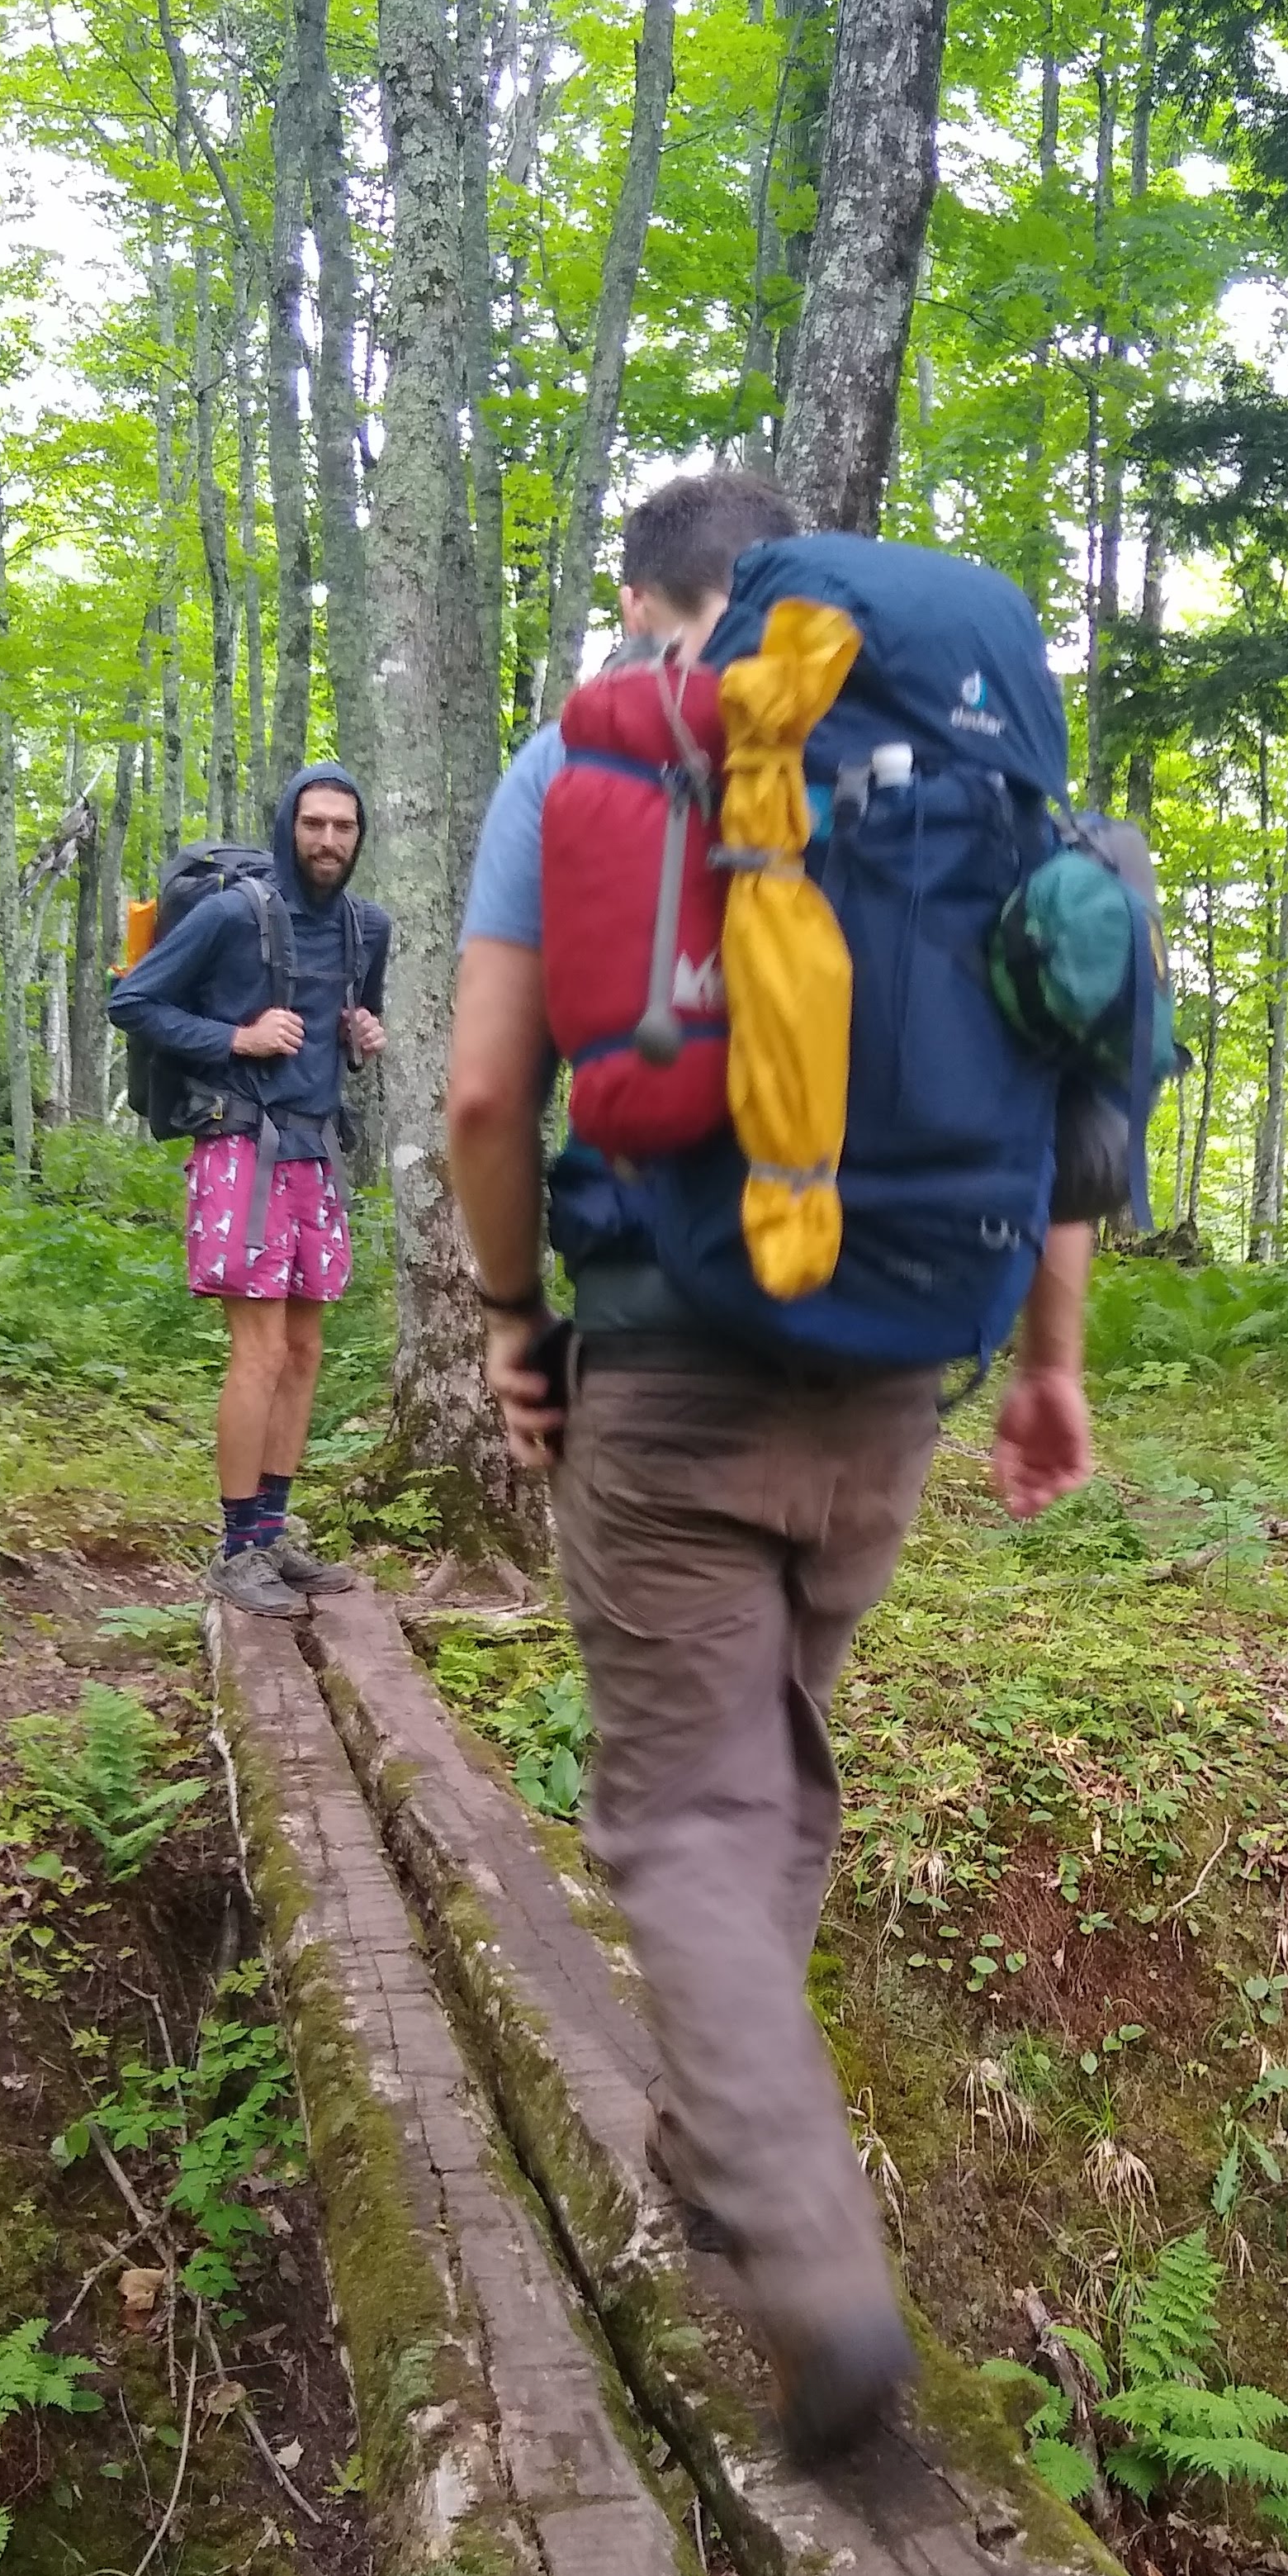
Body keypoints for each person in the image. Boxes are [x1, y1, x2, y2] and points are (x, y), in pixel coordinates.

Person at [446, 472, 1097, 2461]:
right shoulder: (982, 775)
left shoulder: (596, 751)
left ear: (658, 604)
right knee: (779, 1762)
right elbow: (1079, 1097)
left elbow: (482, 1096)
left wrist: (511, 1317)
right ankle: (727, 2141)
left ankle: (814, 2271)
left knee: (685, 1816)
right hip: (897, 1367)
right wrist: (1049, 1365)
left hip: (671, 1363)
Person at [110, 760, 391, 1619]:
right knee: (261, 1353)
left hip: (316, 1151)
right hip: (239, 1146)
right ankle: (236, 1550)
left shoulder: (367, 927)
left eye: (343, 826)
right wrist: (239, 1037)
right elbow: (133, 1002)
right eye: (314, 823)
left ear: (359, 835)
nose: (328, 840)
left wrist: (362, 1033)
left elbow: (351, 1026)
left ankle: (271, 1535)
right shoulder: (233, 915)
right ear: (288, 825)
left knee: (303, 1353)